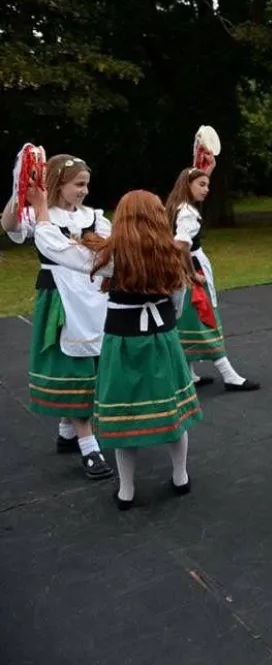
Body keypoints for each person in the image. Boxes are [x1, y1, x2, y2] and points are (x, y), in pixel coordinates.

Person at [24, 186, 199, 510]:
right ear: (159, 218)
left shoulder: (111, 257)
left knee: (124, 414)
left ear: (122, 219)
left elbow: (56, 248)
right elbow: (177, 299)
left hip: (122, 343)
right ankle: (180, 476)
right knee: (172, 410)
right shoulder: (172, 253)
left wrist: (42, 210)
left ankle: (127, 490)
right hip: (163, 339)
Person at [1, 154, 114, 479]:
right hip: (59, 300)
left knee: (90, 364)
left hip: (92, 299)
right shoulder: (39, 215)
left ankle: (68, 429)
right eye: (79, 184)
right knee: (73, 367)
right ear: (58, 184)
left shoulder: (95, 218)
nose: (84, 191)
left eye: (86, 184)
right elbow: (8, 225)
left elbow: (100, 252)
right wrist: (21, 185)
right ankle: (89, 446)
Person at [164, 161, 259, 392]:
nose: (206, 189)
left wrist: (208, 166)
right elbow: (181, 244)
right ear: (188, 185)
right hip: (192, 273)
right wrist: (191, 274)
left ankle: (189, 373)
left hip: (180, 273)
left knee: (185, 320)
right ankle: (230, 376)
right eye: (202, 184)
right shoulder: (187, 212)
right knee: (205, 319)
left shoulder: (176, 206)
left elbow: (178, 244)